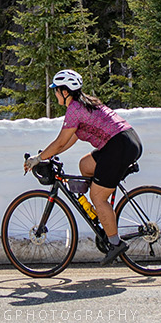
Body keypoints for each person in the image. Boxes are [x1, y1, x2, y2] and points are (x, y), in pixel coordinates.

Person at [25, 68, 142, 264]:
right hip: (126, 141)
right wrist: (48, 155)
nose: (54, 94)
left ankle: (115, 243)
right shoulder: (83, 104)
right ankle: (100, 212)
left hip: (119, 146)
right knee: (85, 165)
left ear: (65, 91)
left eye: (56, 90)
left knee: (98, 196)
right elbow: (69, 141)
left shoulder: (75, 109)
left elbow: (61, 141)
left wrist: (38, 158)